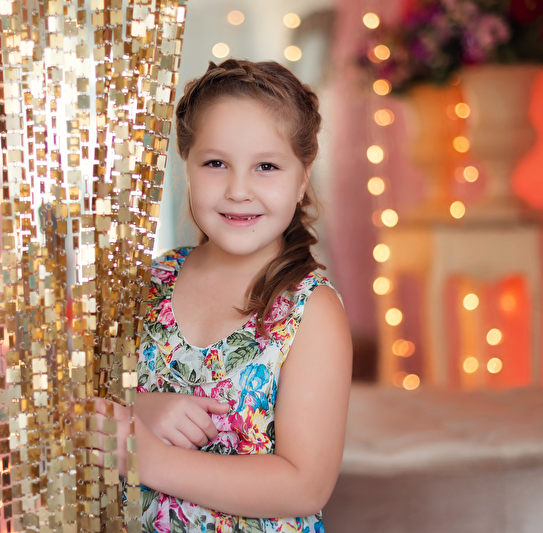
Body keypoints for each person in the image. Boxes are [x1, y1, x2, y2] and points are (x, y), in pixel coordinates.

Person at [105, 58, 352, 532]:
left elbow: (305, 485)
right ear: (187, 165)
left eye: (266, 166)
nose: (239, 190)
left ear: (302, 178)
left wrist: (150, 459)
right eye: (216, 163)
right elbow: (76, 404)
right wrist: (139, 408)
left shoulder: (310, 311)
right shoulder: (146, 284)